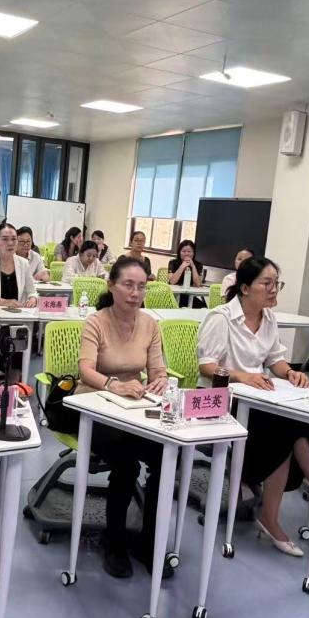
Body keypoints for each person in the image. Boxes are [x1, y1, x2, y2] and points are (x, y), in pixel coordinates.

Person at [198, 256, 309, 557]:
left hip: (257, 399)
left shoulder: (268, 318)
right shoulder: (221, 318)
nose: (273, 289)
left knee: (292, 425)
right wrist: (243, 376)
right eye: (266, 283)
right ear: (245, 288)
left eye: (276, 283)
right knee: (285, 429)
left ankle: (287, 506)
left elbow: (275, 359)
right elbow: (207, 366)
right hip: (220, 400)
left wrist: (290, 372)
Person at [76, 256, 170, 577]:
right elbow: (86, 370)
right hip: (95, 406)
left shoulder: (150, 324)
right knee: (126, 461)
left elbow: (157, 369)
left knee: (166, 457)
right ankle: (114, 540)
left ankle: (149, 541)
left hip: (135, 410)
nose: (135, 293)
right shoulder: (96, 321)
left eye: (141, 287)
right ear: (111, 286)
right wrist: (115, 385)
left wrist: (160, 380)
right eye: (128, 285)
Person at [167, 239, 206, 307]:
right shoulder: (173, 263)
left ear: (193, 253)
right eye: (184, 251)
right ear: (179, 252)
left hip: (189, 295)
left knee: (203, 307)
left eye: (189, 251)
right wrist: (182, 266)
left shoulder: (198, 264)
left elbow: (198, 284)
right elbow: (172, 282)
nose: (186, 254)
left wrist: (193, 266)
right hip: (173, 295)